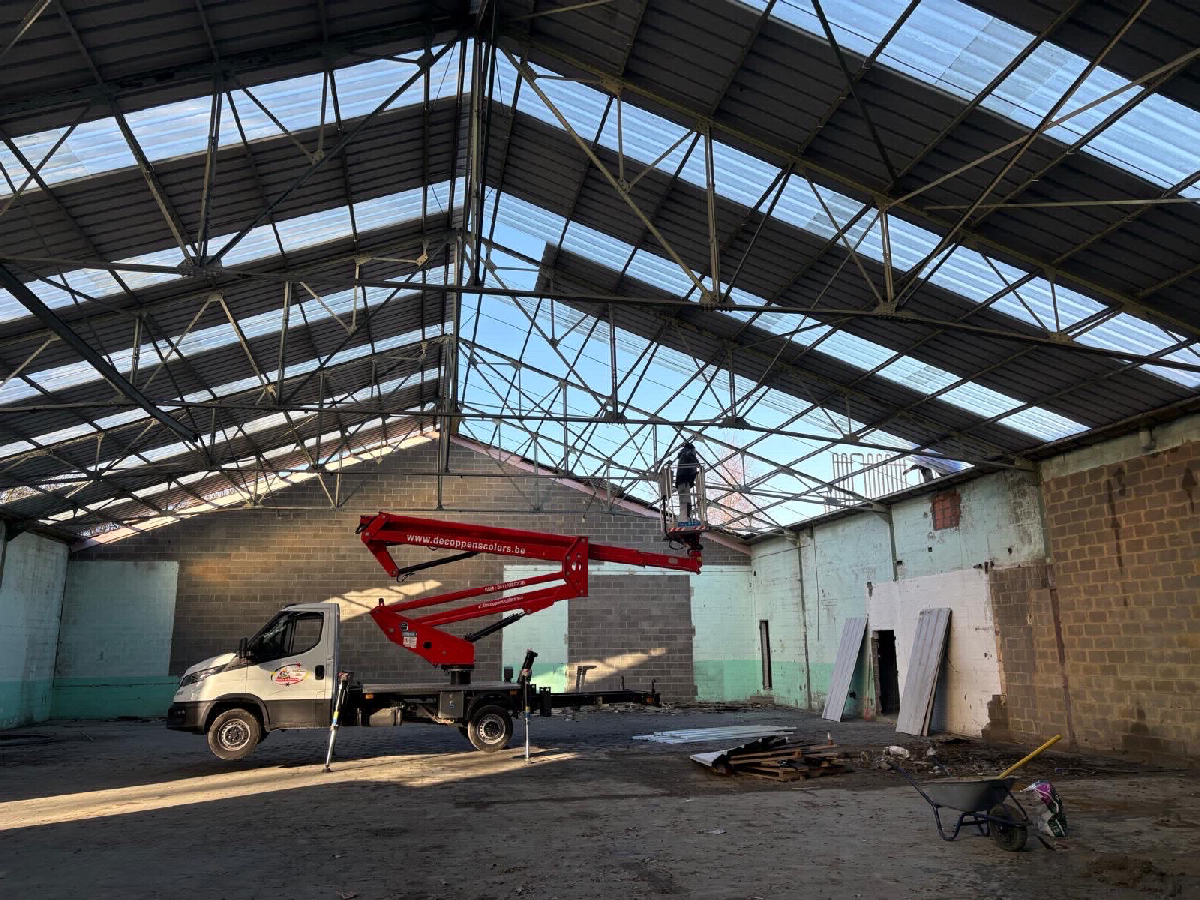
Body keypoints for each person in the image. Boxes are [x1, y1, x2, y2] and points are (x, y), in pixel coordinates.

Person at [674, 440, 699, 521]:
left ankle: (684, 517)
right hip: (685, 480)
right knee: (686, 501)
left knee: (683, 501)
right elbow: (694, 463)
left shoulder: (682, 455)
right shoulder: (688, 453)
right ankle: (685, 518)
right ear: (691, 449)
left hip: (680, 481)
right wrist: (695, 473)